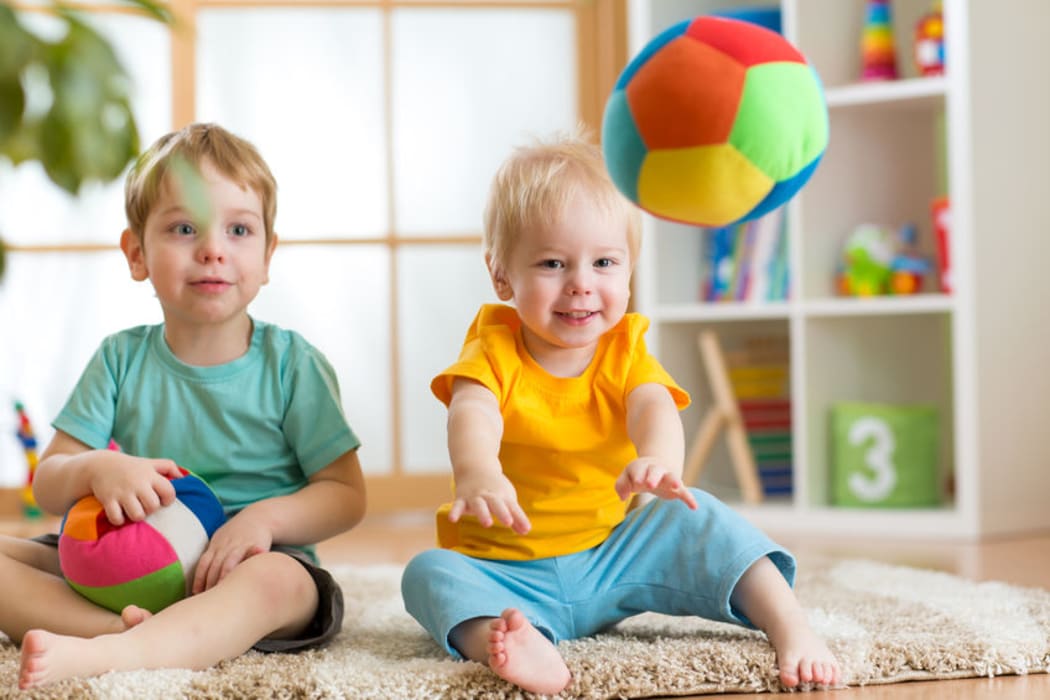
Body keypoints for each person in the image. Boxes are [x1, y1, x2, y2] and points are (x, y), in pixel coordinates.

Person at [400, 132, 840, 695]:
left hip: (614, 554)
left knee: (699, 514)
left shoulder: (625, 349)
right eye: (553, 263)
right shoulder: (493, 349)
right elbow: (473, 409)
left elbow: (653, 405)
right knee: (428, 574)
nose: (582, 284)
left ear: (628, 273)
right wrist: (479, 470)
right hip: (507, 572)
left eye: (604, 262)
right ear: (502, 275)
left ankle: (791, 626)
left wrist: (657, 461)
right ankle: (509, 641)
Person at [1, 123, 367, 689]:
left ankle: (119, 650)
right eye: (184, 228)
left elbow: (346, 495)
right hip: (124, 561)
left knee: (279, 584)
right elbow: (49, 482)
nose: (213, 249)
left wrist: (264, 520)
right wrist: (99, 468)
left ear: (268, 256)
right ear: (136, 253)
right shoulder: (120, 358)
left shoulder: (293, 364)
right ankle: (121, 631)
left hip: (248, 567)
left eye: (239, 229)